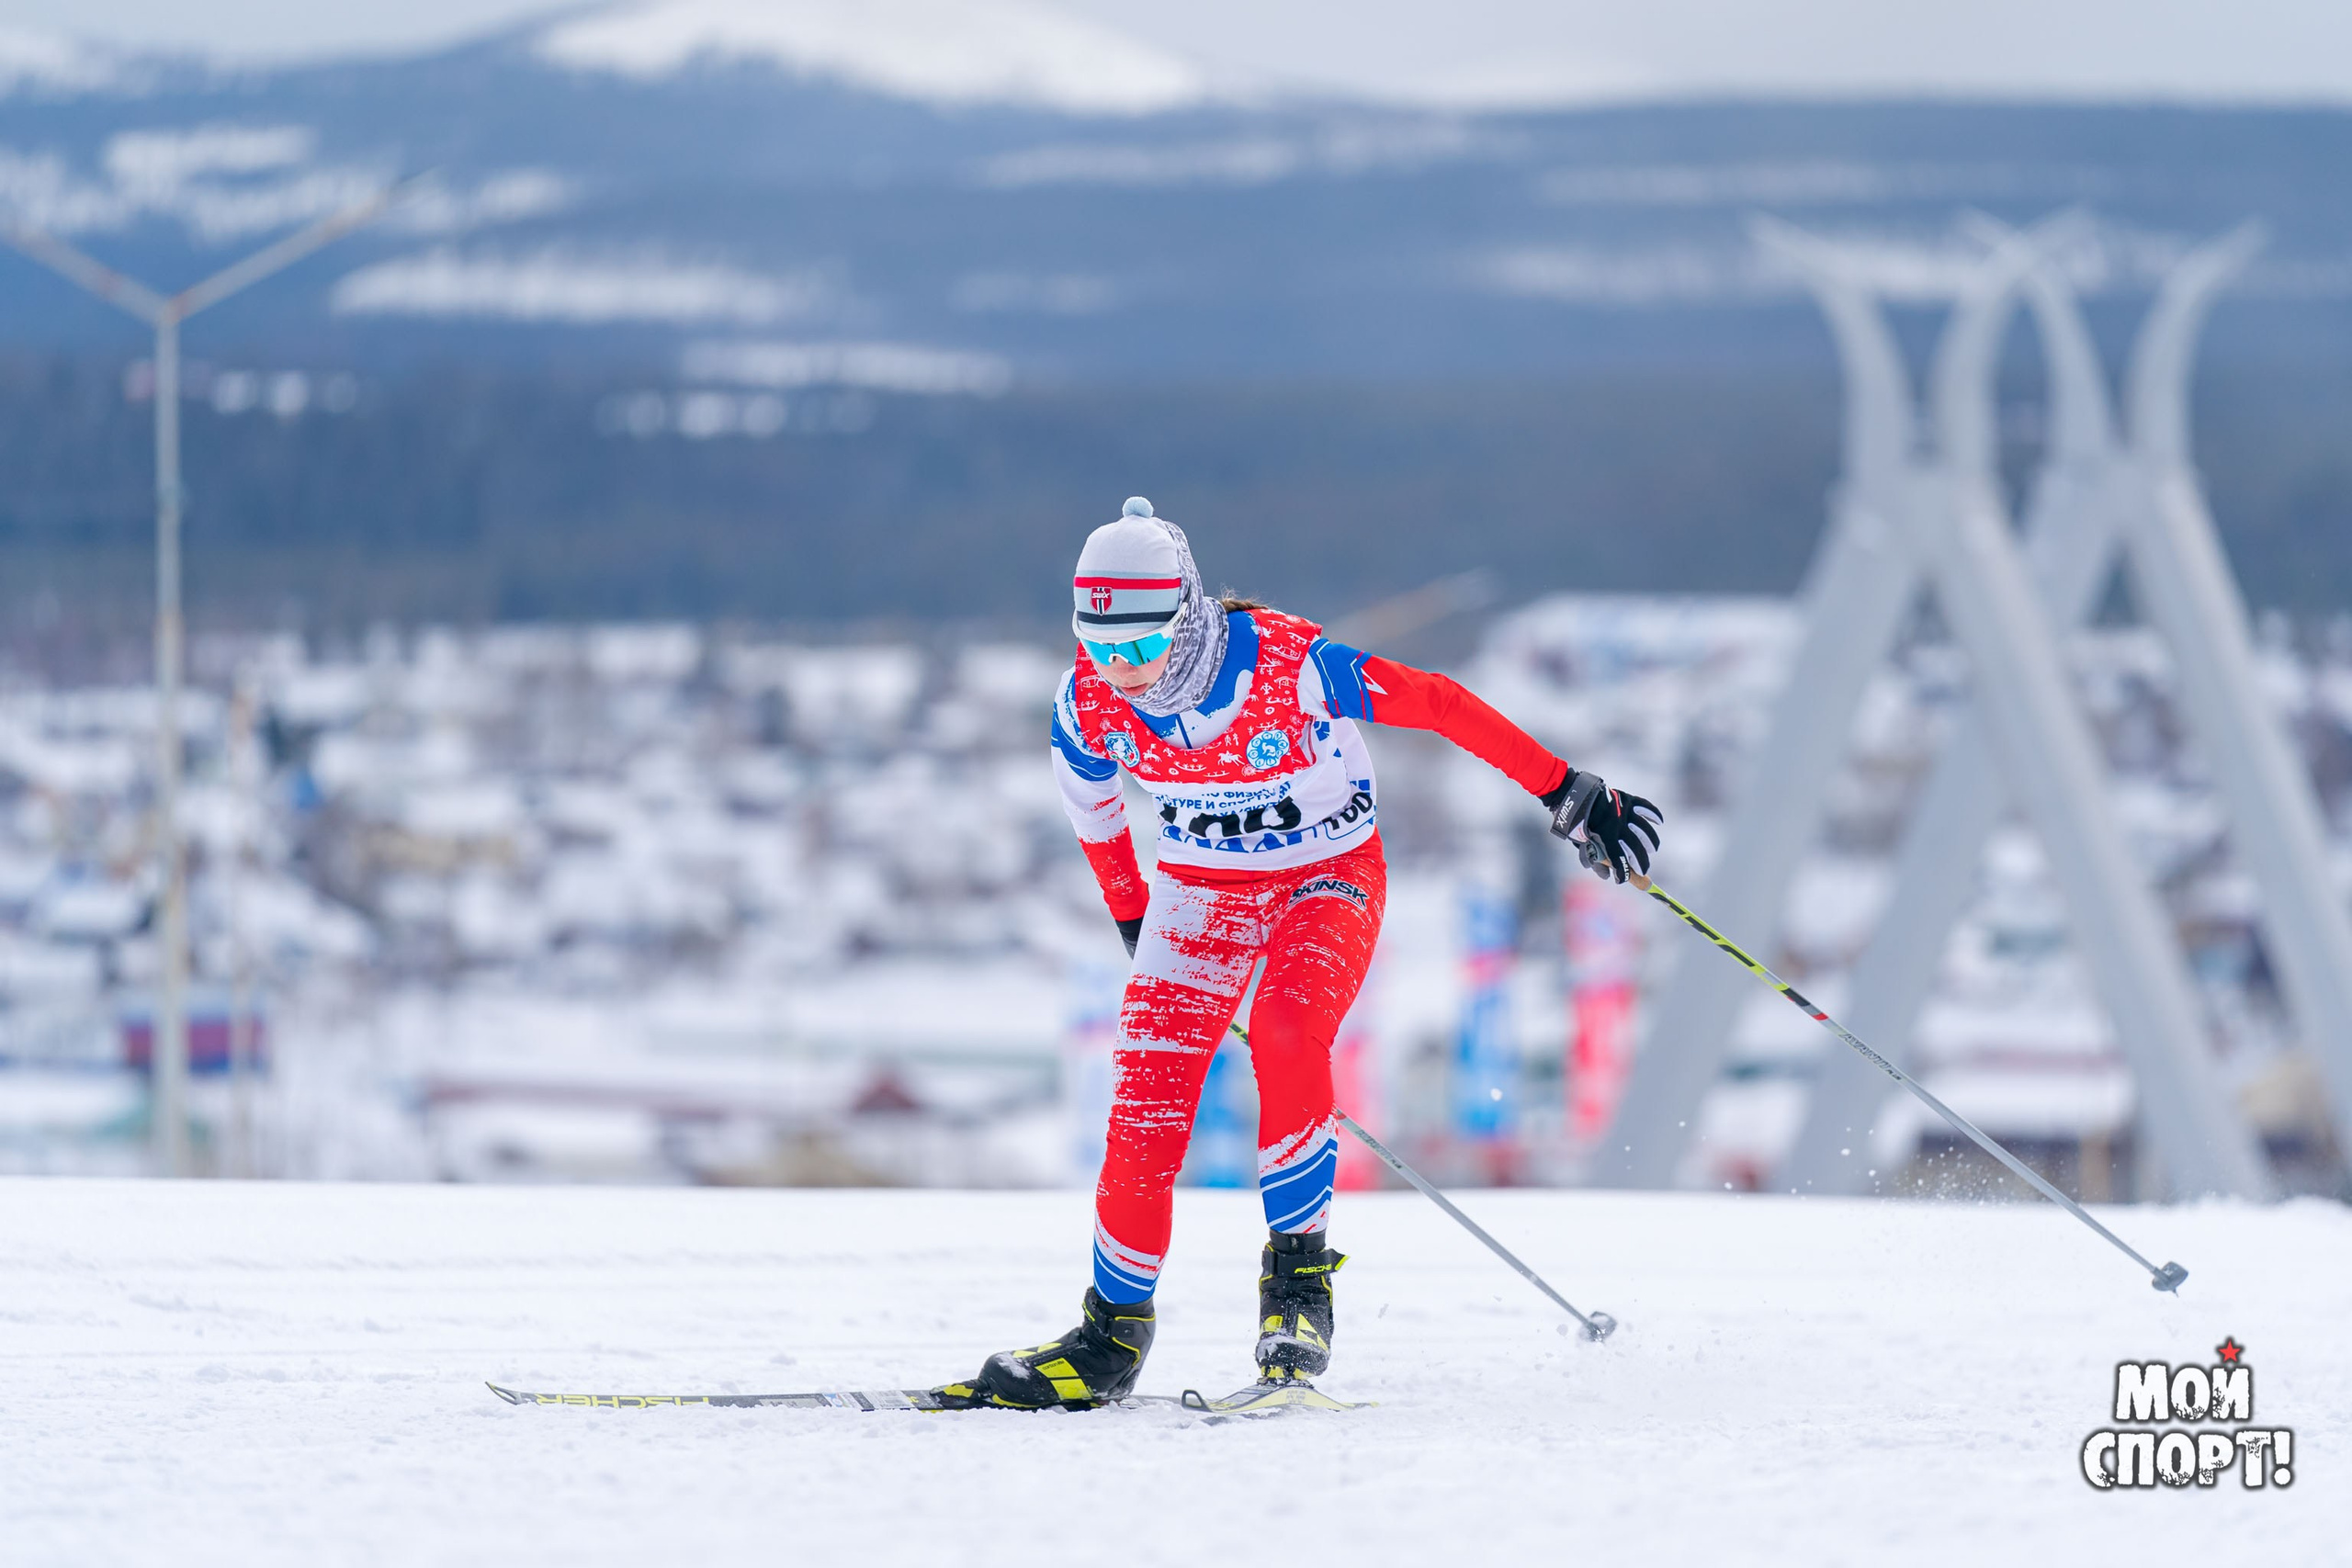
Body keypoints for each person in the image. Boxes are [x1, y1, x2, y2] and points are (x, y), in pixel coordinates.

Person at [937, 498, 1662, 1410]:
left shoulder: (1288, 665)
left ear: (1187, 613)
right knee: (1147, 1096)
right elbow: (1095, 813)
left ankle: (1297, 1292)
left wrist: (1567, 791)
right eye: (1097, 643)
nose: (1118, 667)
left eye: (1137, 643)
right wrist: (1136, 925)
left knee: (1286, 1032)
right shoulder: (1085, 704)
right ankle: (1109, 1337)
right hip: (1200, 891)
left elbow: (1435, 703)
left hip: (1325, 878)